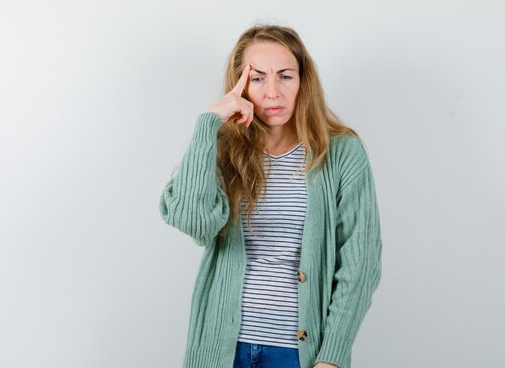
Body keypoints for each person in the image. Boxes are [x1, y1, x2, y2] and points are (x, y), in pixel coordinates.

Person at [159, 24, 382, 368]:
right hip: (223, 348)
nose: (273, 92)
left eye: (285, 76)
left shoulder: (341, 153)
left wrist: (332, 356)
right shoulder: (222, 151)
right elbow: (193, 222)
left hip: (297, 354)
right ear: (240, 85)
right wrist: (208, 125)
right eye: (258, 78)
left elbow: (360, 262)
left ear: (303, 81)